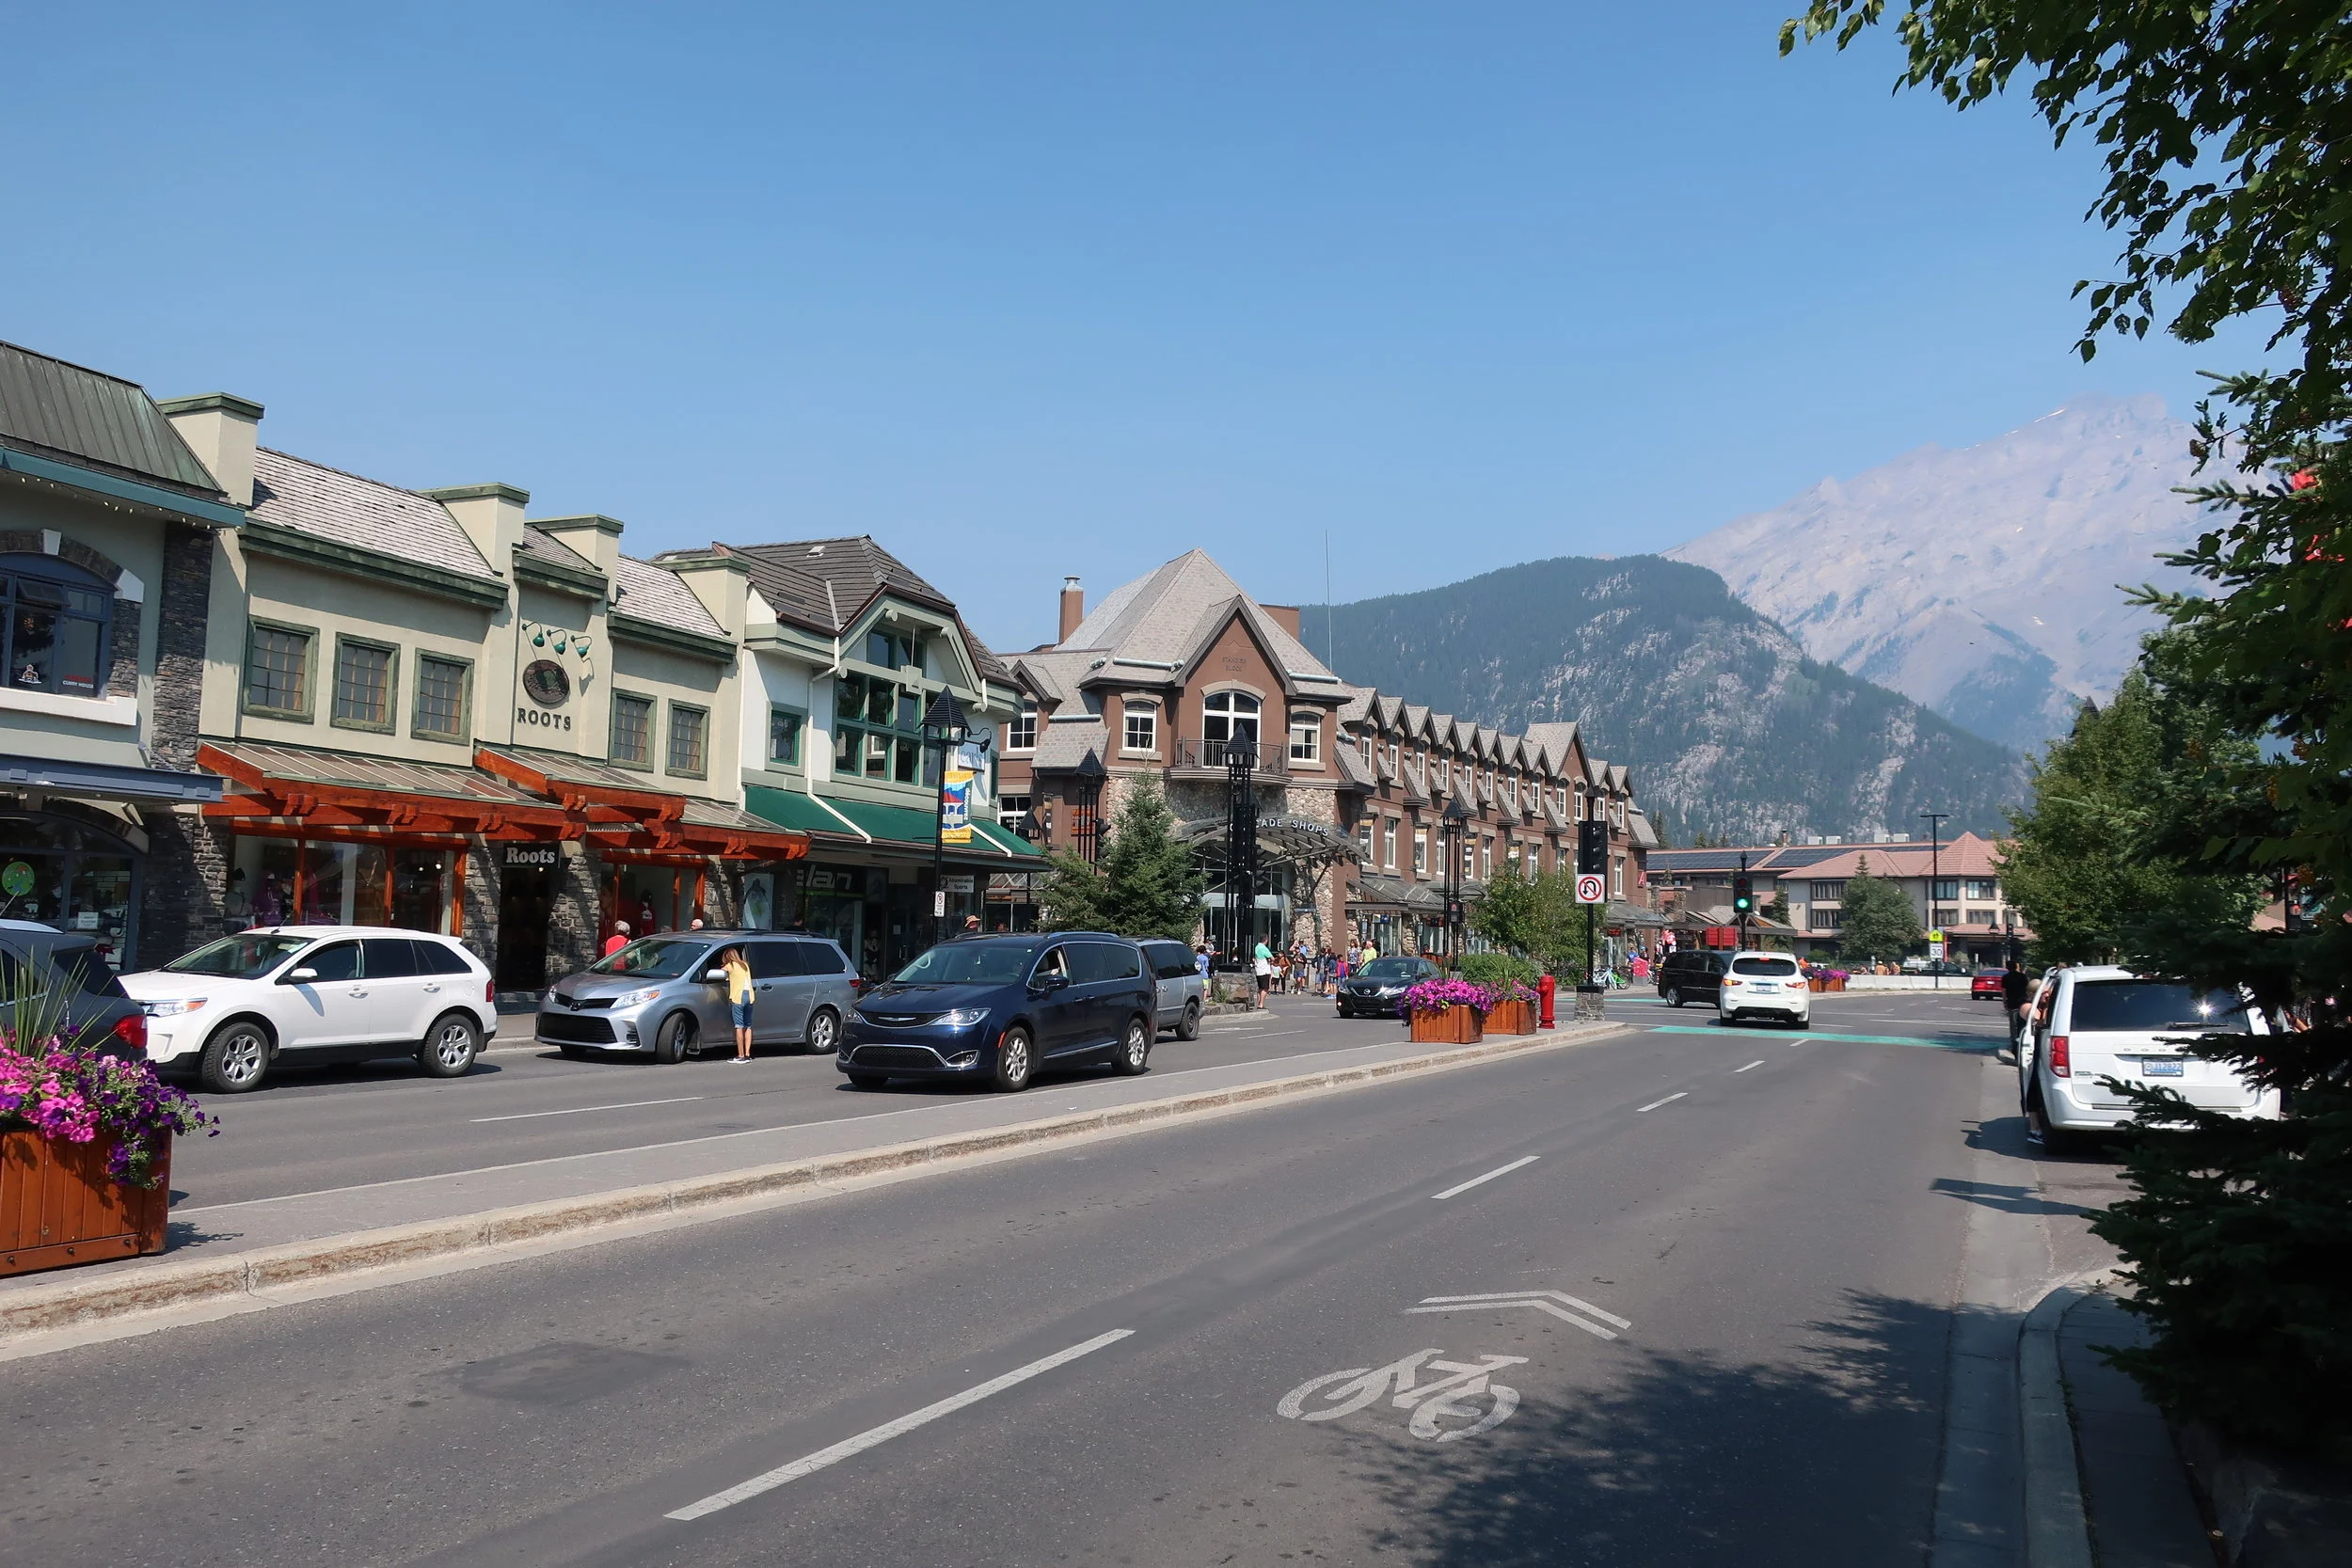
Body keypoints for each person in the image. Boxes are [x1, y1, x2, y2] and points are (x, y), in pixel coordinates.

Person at [722, 944, 755, 1062]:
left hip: (738, 996)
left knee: (739, 1026)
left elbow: (721, 972)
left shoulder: (730, 965)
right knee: (748, 1026)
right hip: (750, 996)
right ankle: (747, 1054)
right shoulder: (745, 965)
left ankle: (740, 1055)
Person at [2001, 958, 2032, 1044]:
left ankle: (2014, 1041)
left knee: (2013, 1023)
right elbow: (2028, 988)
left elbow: (2004, 990)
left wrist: (2004, 1001)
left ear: (2007, 968)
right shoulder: (2022, 976)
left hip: (2012, 1001)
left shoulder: (2006, 977)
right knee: (2023, 1021)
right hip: (2023, 1001)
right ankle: (2022, 1038)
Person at [1252, 938, 1273, 1006]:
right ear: (1266, 940)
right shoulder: (1263, 948)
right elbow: (1271, 957)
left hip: (1258, 970)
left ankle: (1259, 1003)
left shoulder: (1257, 947)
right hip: (1264, 970)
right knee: (1265, 988)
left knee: (1260, 988)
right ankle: (1261, 1004)